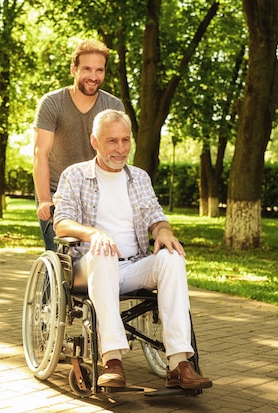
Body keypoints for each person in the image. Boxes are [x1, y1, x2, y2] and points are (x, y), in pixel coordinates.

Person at [52, 109, 212, 390]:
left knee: (172, 258)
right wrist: (95, 234)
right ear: (95, 141)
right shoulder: (75, 175)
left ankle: (179, 363)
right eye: (112, 141)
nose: (120, 148)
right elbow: (61, 223)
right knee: (103, 253)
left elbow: (155, 215)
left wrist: (164, 231)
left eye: (125, 140)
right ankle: (112, 359)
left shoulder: (139, 177)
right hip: (90, 267)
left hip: (133, 264)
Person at [33, 39, 125, 250]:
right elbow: (40, 154)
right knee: (61, 258)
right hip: (58, 191)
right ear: (74, 70)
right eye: (87, 69)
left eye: (99, 70)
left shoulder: (113, 106)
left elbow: (117, 155)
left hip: (96, 191)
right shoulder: (52, 103)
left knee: (99, 254)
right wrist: (46, 200)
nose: (93, 76)